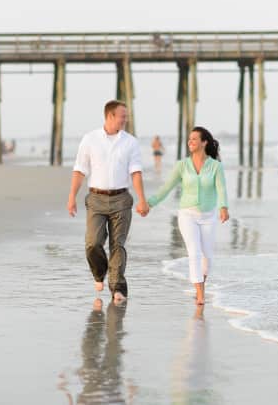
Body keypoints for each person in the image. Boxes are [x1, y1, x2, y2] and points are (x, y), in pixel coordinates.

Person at [68, 100, 149, 304]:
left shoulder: (130, 142)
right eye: (123, 115)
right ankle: (99, 273)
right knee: (92, 243)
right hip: (96, 199)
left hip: (122, 199)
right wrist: (72, 197)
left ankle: (118, 288)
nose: (126, 119)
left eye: (126, 116)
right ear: (110, 116)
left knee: (117, 245)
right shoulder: (90, 139)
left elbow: (136, 172)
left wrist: (142, 200)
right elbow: (80, 170)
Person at [145, 127, 229, 306]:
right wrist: (149, 203)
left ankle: (200, 283)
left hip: (208, 215)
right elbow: (167, 187)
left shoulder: (215, 166)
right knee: (194, 253)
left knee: (208, 256)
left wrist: (224, 207)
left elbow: (221, 189)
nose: (190, 142)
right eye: (189, 139)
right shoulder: (182, 165)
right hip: (187, 214)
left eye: (194, 139)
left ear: (204, 142)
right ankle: (200, 293)